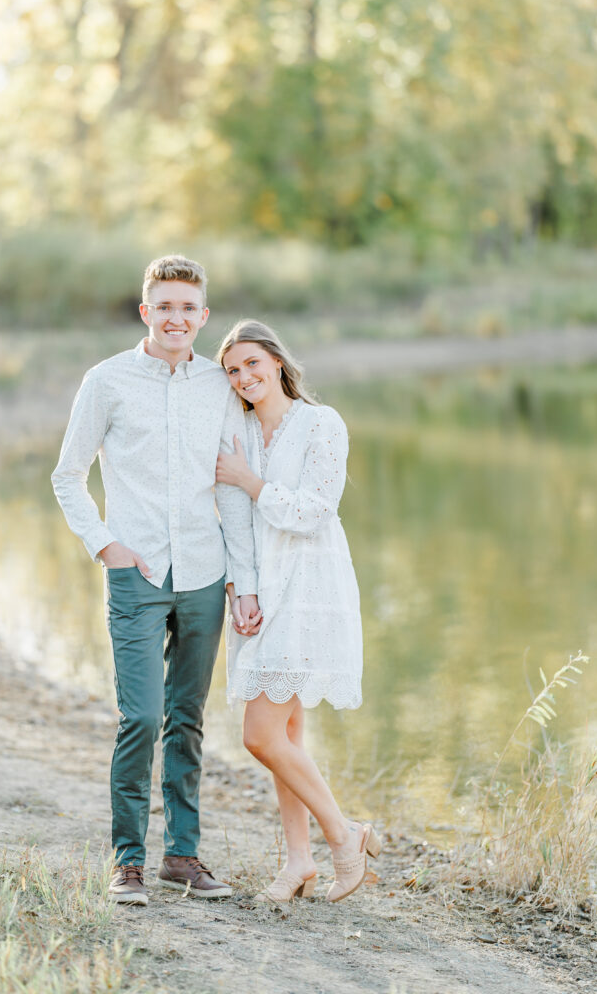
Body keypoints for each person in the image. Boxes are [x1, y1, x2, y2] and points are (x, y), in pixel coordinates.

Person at [52, 256, 260, 906]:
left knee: (187, 718)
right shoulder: (106, 381)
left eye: (187, 308)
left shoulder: (219, 387)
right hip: (136, 572)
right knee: (140, 716)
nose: (176, 318)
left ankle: (183, 857)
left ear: (203, 317)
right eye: (163, 306)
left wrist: (242, 579)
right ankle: (128, 862)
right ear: (147, 312)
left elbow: (231, 488)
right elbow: (67, 475)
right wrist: (104, 545)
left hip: (204, 571)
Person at [215, 319, 381, 905]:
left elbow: (313, 512)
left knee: (260, 736)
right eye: (232, 370)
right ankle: (298, 862)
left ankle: (343, 834)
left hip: (310, 585)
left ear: (278, 363)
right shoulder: (235, 431)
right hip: (262, 591)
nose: (243, 377)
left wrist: (251, 481)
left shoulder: (321, 423)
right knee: (283, 733)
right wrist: (243, 591)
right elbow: (234, 523)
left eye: (252, 364)